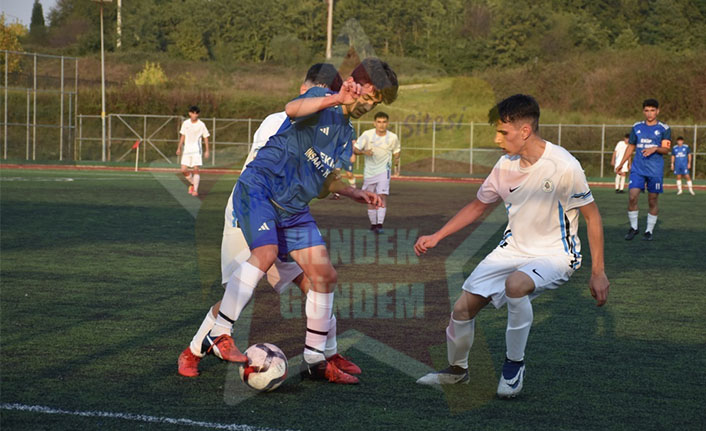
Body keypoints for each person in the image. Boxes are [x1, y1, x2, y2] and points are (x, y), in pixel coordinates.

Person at [188, 58, 398, 384]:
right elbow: (292, 108)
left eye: (376, 103)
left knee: (324, 275)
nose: (368, 106)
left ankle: (317, 358)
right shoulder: (321, 99)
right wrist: (335, 98)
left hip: (292, 208)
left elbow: (325, 180)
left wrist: (354, 193)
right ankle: (218, 334)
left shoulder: (345, 134)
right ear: (354, 84)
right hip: (258, 191)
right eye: (368, 97)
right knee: (264, 255)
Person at [414, 95, 609, 398]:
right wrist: (438, 236)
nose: (497, 140)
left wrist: (598, 272)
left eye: (503, 133)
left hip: (556, 254)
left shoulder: (564, 165)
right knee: (463, 308)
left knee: (515, 285)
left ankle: (513, 366)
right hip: (512, 249)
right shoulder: (505, 166)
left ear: (525, 131)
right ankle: (457, 371)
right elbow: (478, 206)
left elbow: (592, 216)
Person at [615, 99, 671, 241]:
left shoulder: (664, 128)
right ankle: (634, 228)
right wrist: (621, 164)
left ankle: (648, 231)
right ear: (643, 111)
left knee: (652, 201)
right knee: (632, 196)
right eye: (647, 110)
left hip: (655, 170)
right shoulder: (636, 127)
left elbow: (666, 149)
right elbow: (631, 146)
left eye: (652, 110)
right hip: (638, 169)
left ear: (657, 111)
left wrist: (655, 148)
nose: (649, 113)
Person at [353, 111, 400, 233]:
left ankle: (380, 225)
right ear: (374, 123)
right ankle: (373, 225)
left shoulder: (393, 137)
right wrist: (364, 152)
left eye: (384, 122)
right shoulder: (367, 135)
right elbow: (356, 149)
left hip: (384, 171)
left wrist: (396, 160)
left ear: (387, 123)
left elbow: (396, 150)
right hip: (369, 172)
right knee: (370, 198)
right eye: (379, 122)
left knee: (382, 196)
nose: (381, 125)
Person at [176, 106, 210, 196]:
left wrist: (207, 150)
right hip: (187, 150)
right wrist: (179, 147)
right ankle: (192, 183)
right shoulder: (185, 123)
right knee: (183, 170)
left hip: (196, 150)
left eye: (196, 113)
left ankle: (195, 190)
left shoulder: (201, 124)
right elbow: (182, 136)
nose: (195, 115)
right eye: (193, 113)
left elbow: (205, 137)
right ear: (189, 113)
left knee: (196, 169)